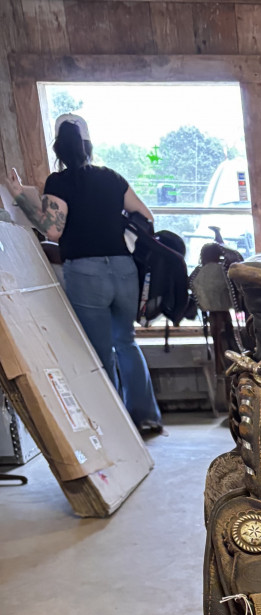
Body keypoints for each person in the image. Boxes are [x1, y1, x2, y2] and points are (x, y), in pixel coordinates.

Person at [7, 113, 163, 437]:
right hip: (124, 269)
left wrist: (21, 196)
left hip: (86, 272)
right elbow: (145, 215)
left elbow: (52, 230)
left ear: (58, 149)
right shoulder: (111, 177)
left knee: (99, 349)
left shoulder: (59, 182)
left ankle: (116, 423)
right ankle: (146, 416)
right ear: (88, 146)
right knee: (126, 342)